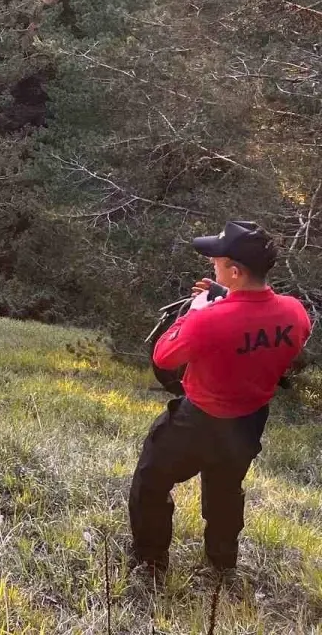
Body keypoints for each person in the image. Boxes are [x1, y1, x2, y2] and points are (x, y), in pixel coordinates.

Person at [129, 220, 312, 575]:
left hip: (197, 421)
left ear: (234, 270)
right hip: (250, 420)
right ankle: (222, 561)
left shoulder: (207, 320)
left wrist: (198, 310)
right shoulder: (296, 313)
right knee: (226, 489)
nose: (211, 263)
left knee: (150, 481)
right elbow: (256, 330)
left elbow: (164, 357)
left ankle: (151, 562)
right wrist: (228, 299)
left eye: (217, 259)